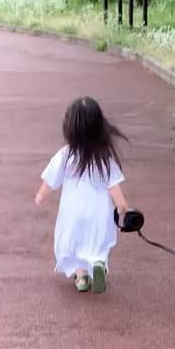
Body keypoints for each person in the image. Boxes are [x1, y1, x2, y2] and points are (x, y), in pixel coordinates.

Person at [35, 96, 129, 293]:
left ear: (69, 127)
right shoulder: (105, 158)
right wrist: (122, 207)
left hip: (72, 214)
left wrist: (41, 196)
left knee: (71, 244)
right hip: (99, 214)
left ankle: (80, 276)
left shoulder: (65, 155)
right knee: (97, 244)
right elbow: (115, 189)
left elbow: (50, 182)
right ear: (100, 126)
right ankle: (97, 263)